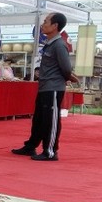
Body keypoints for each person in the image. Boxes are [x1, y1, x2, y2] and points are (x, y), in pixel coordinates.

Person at [12, 12, 78, 161]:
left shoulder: (60, 45)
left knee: (51, 120)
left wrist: (69, 77)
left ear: (55, 26)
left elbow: (66, 68)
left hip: (53, 88)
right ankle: (31, 146)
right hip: (45, 87)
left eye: (46, 21)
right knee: (39, 119)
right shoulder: (50, 43)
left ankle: (50, 151)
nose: (43, 24)